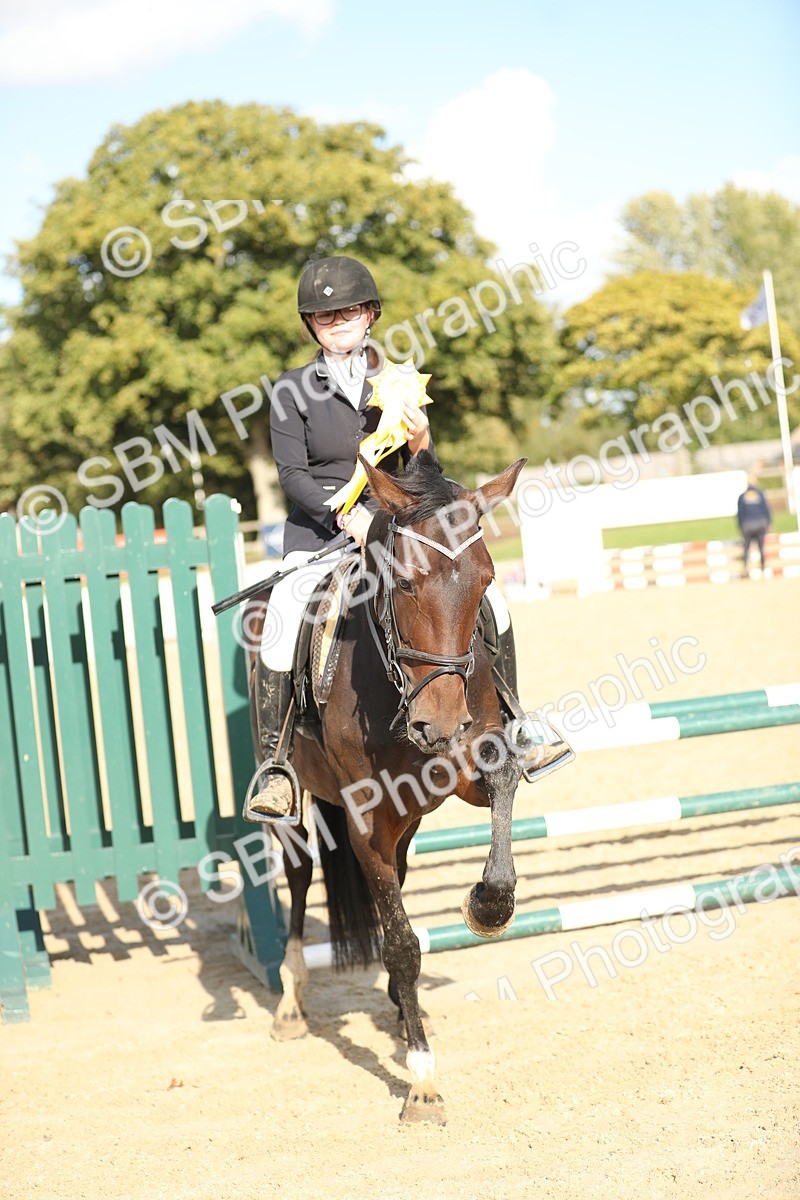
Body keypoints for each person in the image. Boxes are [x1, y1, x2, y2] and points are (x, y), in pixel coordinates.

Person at [246, 255, 568, 822]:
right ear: (311, 326)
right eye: (324, 316)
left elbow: (422, 471)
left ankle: (514, 724)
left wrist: (422, 440)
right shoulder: (291, 390)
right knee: (283, 616)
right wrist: (346, 515)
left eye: (348, 310)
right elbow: (292, 475)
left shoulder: (397, 381)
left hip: (398, 528)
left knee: (492, 597)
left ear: (369, 314)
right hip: (323, 533)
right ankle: (277, 767)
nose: (337, 321)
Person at [736, 476, 772, 576]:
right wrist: (769, 523)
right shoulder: (760, 495)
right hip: (760, 524)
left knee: (746, 547)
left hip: (747, 526)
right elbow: (767, 510)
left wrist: (740, 526)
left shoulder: (742, 496)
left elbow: (740, 514)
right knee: (761, 546)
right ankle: (763, 567)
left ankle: (745, 568)